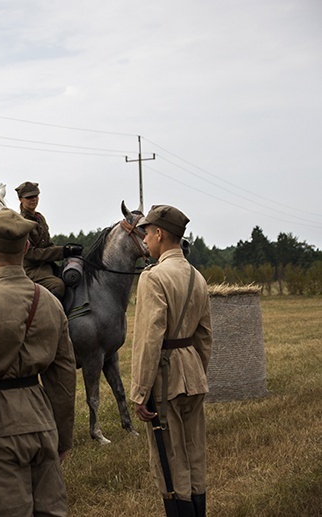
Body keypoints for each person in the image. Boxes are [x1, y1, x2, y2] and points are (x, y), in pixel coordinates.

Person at [0, 207, 77, 517]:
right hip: (42, 421)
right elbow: (63, 379)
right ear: (27, 248)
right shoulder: (49, 301)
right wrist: (62, 436)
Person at [130, 205, 212, 517]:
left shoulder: (154, 278)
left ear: (160, 233)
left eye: (147, 233)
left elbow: (149, 340)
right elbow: (205, 336)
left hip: (166, 381)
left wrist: (140, 392)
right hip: (193, 375)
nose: (145, 240)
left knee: (169, 461)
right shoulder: (197, 277)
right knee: (194, 456)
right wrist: (196, 372)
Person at [15, 181, 82, 300]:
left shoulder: (39, 218)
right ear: (20, 199)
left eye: (35, 196)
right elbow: (31, 253)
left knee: (73, 274)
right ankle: (51, 316)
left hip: (46, 266)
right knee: (58, 286)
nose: (33, 199)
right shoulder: (21, 222)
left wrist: (68, 251)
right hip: (31, 269)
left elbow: (48, 245)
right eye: (29, 197)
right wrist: (62, 251)